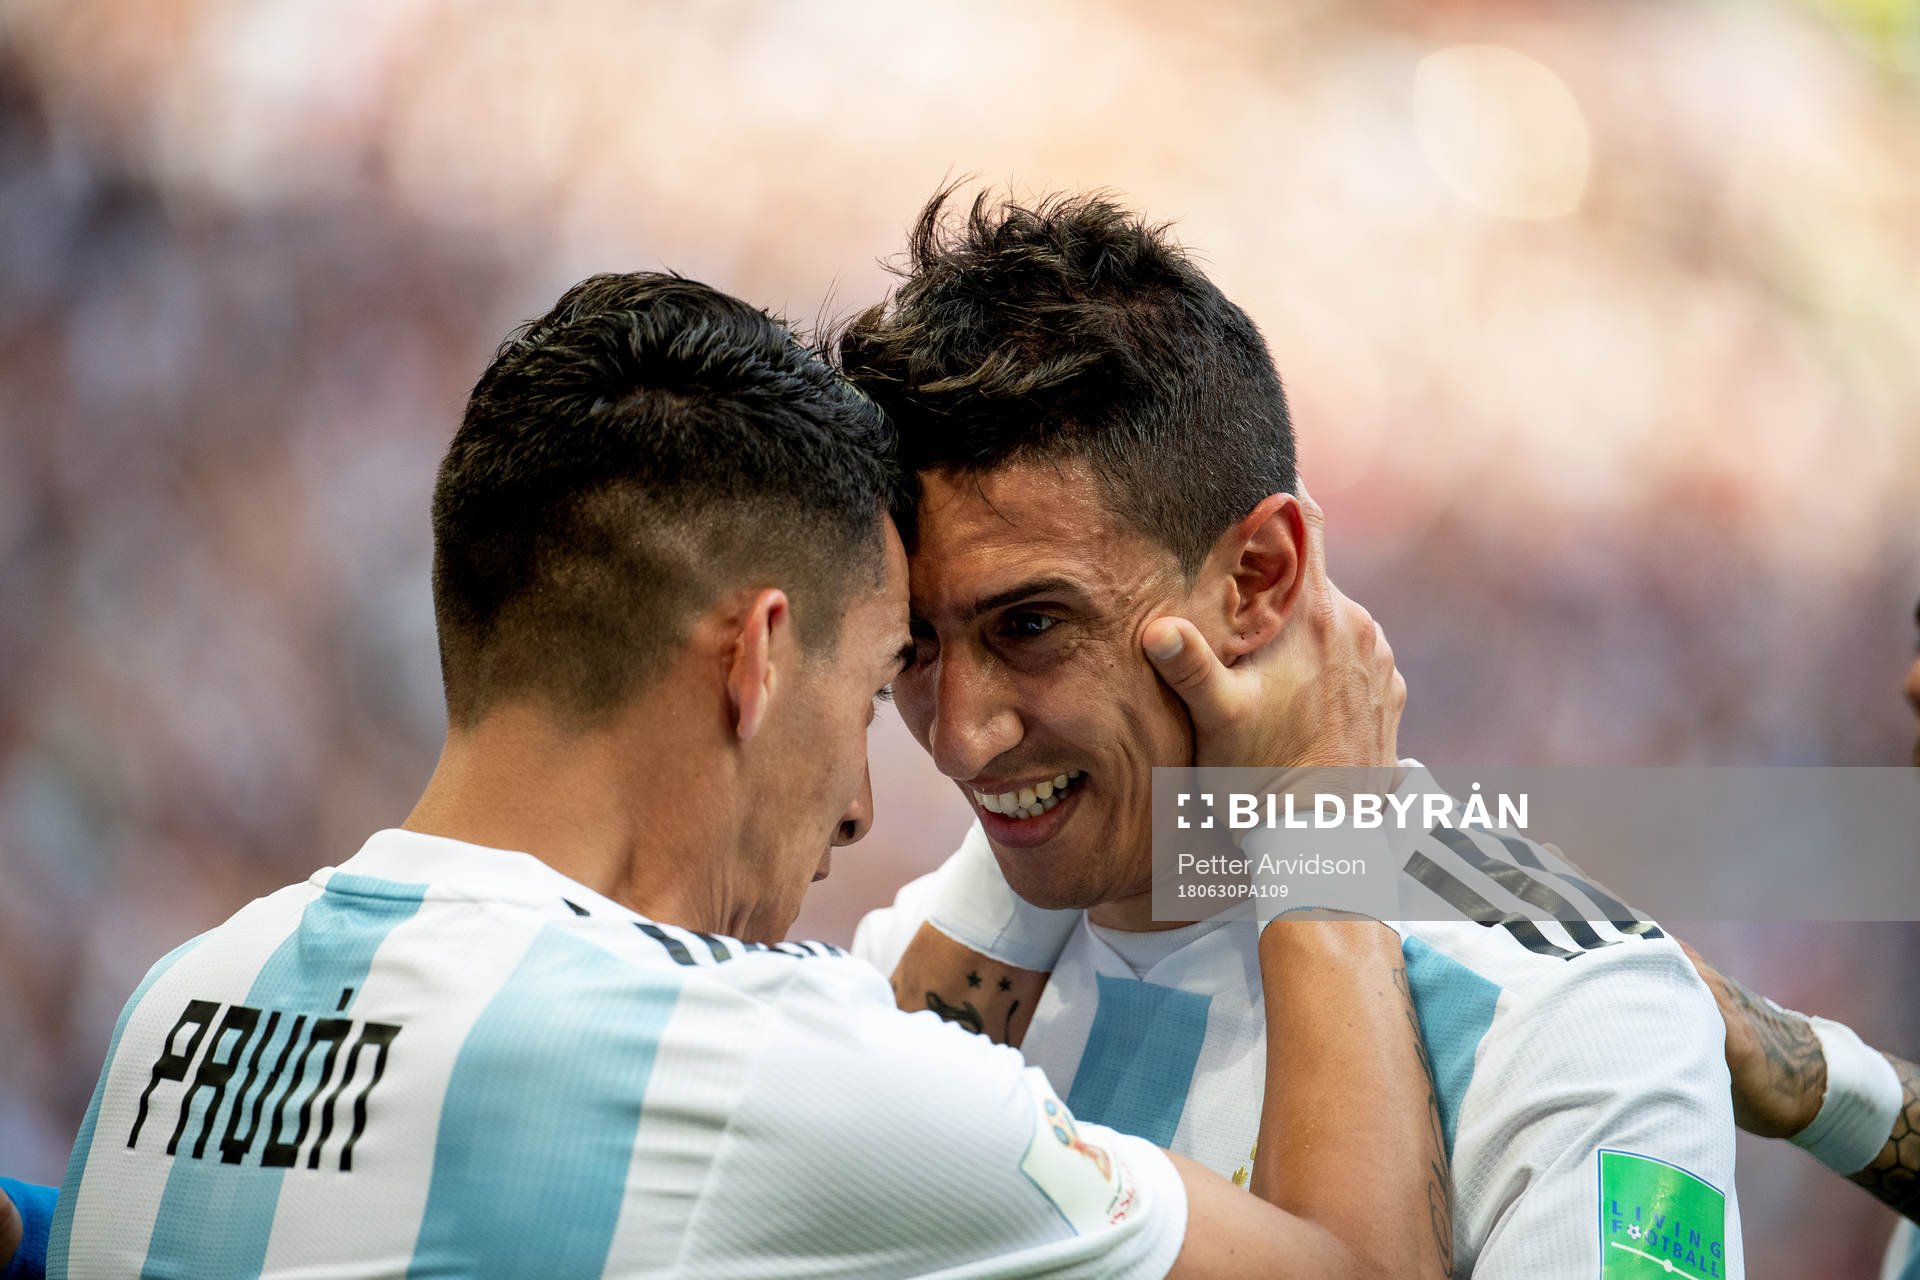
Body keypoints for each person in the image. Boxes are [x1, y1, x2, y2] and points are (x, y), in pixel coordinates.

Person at [18, 271, 1449, 1279]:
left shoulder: (180, 999)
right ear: (758, 660)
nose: (873, 796)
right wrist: (1326, 823)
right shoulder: (754, 1068)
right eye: (886, 669)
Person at [838, 188, 1746, 1278]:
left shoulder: (1578, 1006)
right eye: (915, 648)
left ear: (1260, 577)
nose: (961, 738)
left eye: (1032, 625)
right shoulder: (919, 957)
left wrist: (1324, 842)